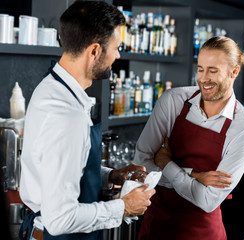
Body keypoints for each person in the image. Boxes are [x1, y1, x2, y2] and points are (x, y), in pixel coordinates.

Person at [19, 1, 155, 240]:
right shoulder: (66, 116)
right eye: (115, 47)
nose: (118, 55)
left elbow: (57, 171)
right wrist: (124, 207)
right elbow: (60, 219)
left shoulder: (53, 87)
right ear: (94, 51)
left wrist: (109, 175)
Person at [133, 36, 244, 240]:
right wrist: (195, 175)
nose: (203, 78)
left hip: (202, 232)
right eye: (200, 69)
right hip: (156, 227)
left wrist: (165, 162)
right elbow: (141, 166)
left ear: (234, 71)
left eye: (213, 70)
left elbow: (208, 200)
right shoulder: (173, 101)